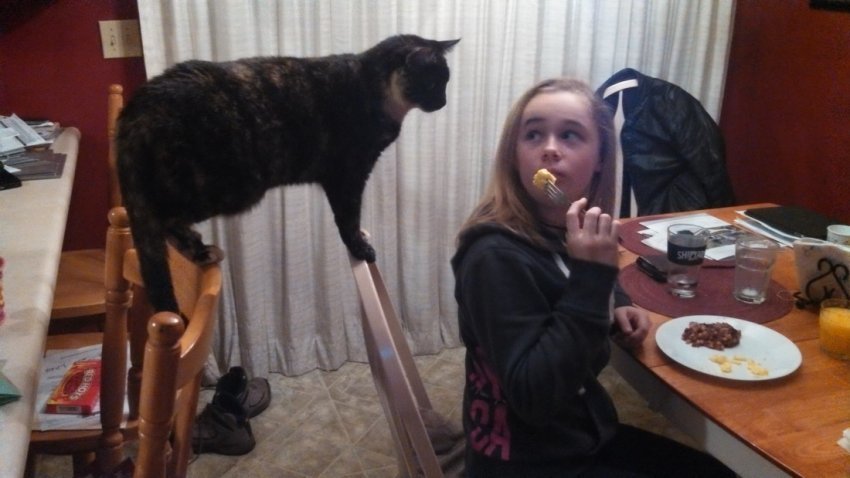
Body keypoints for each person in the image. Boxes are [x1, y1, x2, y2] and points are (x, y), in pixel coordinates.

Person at [451, 78, 735, 477]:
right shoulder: (494, 257)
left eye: (570, 135)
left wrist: (617, 301)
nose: (550, 148)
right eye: (533, 134)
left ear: (600, 158)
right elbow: (534, 398)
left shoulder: (564, 229)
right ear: (513, 156)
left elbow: (566, 274)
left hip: (580, 432)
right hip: (526, 461)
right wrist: (593, 278)